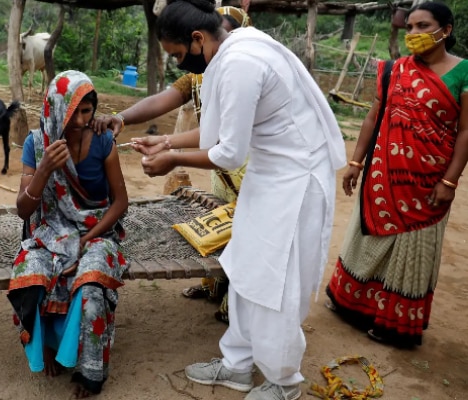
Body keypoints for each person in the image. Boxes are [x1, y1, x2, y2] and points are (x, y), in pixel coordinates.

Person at [131, 0, 347, 399]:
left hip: (295, 181)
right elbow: (219, 131)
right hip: (270, 175)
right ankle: (237, 365)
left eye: (179, 55)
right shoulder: (232, 49)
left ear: (198, 39)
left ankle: (284, 383)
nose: (180, 63)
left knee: (276, 279)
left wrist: (172, 158)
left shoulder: (241, 62)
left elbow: (228, 153)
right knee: (247, 266)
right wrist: (165, 141)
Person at [92, 5, 253, 324]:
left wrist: (171, 151)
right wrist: (122, 118)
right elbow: (165, 100)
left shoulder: (240, 71)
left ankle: (238, 304)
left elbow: (225, 138)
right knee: (224, 228)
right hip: (222, 168)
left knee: (248, 233)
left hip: (248, 169)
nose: (181, 61)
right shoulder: (200, 72)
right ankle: (217, 285)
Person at [325, 2, 468, 348]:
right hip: (383, 173)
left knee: (412, 248)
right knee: (368, 237)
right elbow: (374, 117)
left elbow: (466, 131)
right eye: (410, 28)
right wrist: (356, 163)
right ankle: (352, 305)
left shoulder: (463, 73)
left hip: (428, 180)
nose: (415, 35)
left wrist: (449, 182)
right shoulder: (393, 70)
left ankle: (395, 325)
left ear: (446, 30)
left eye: (424, 26)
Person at [7, 70, 129, 398]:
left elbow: (120, 203)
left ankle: (89, 370)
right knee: (31, 274)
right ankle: (47, 345)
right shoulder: (36, 144)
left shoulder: (103, 142)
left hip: (96, 229)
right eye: (72, 112)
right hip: (49, 230)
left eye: (88, 112)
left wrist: (87, 241)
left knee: (91, 284)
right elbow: (23, 210)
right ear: (55, 109)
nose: (80, 121)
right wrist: (44, 168)